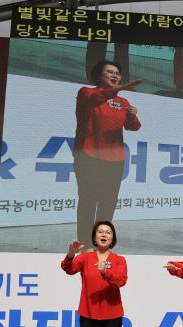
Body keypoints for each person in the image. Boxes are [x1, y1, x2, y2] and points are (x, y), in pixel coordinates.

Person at [73, 60, 142, 247]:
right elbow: (98, 98)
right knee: (88, 199)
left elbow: (133, 127)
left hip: (115, 158)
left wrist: (131, 115)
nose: (115, 76)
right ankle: (85, 243)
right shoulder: (87, 93)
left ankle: (102, 241)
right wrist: (121, 87)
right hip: (89, 155)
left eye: (118, 73)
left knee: (108, 201)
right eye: (110, 72)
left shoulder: (122, 102)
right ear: (98, 75)